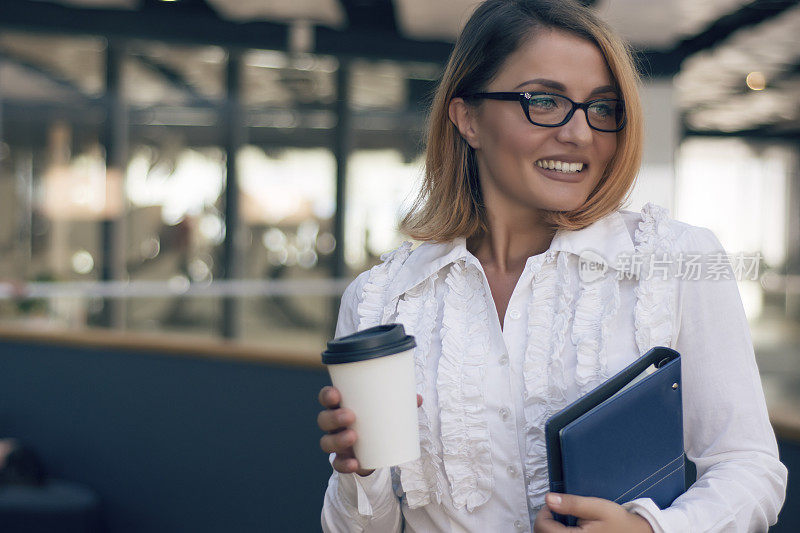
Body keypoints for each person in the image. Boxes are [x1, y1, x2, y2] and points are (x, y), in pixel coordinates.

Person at [317, 0, 788, 531]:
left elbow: (749, 468)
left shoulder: (674, 261)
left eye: (602, 108)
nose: (580, 133)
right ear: (467, 117)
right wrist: (363, 472)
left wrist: (650, 529)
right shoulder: (383, 300)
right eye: (544, 100)